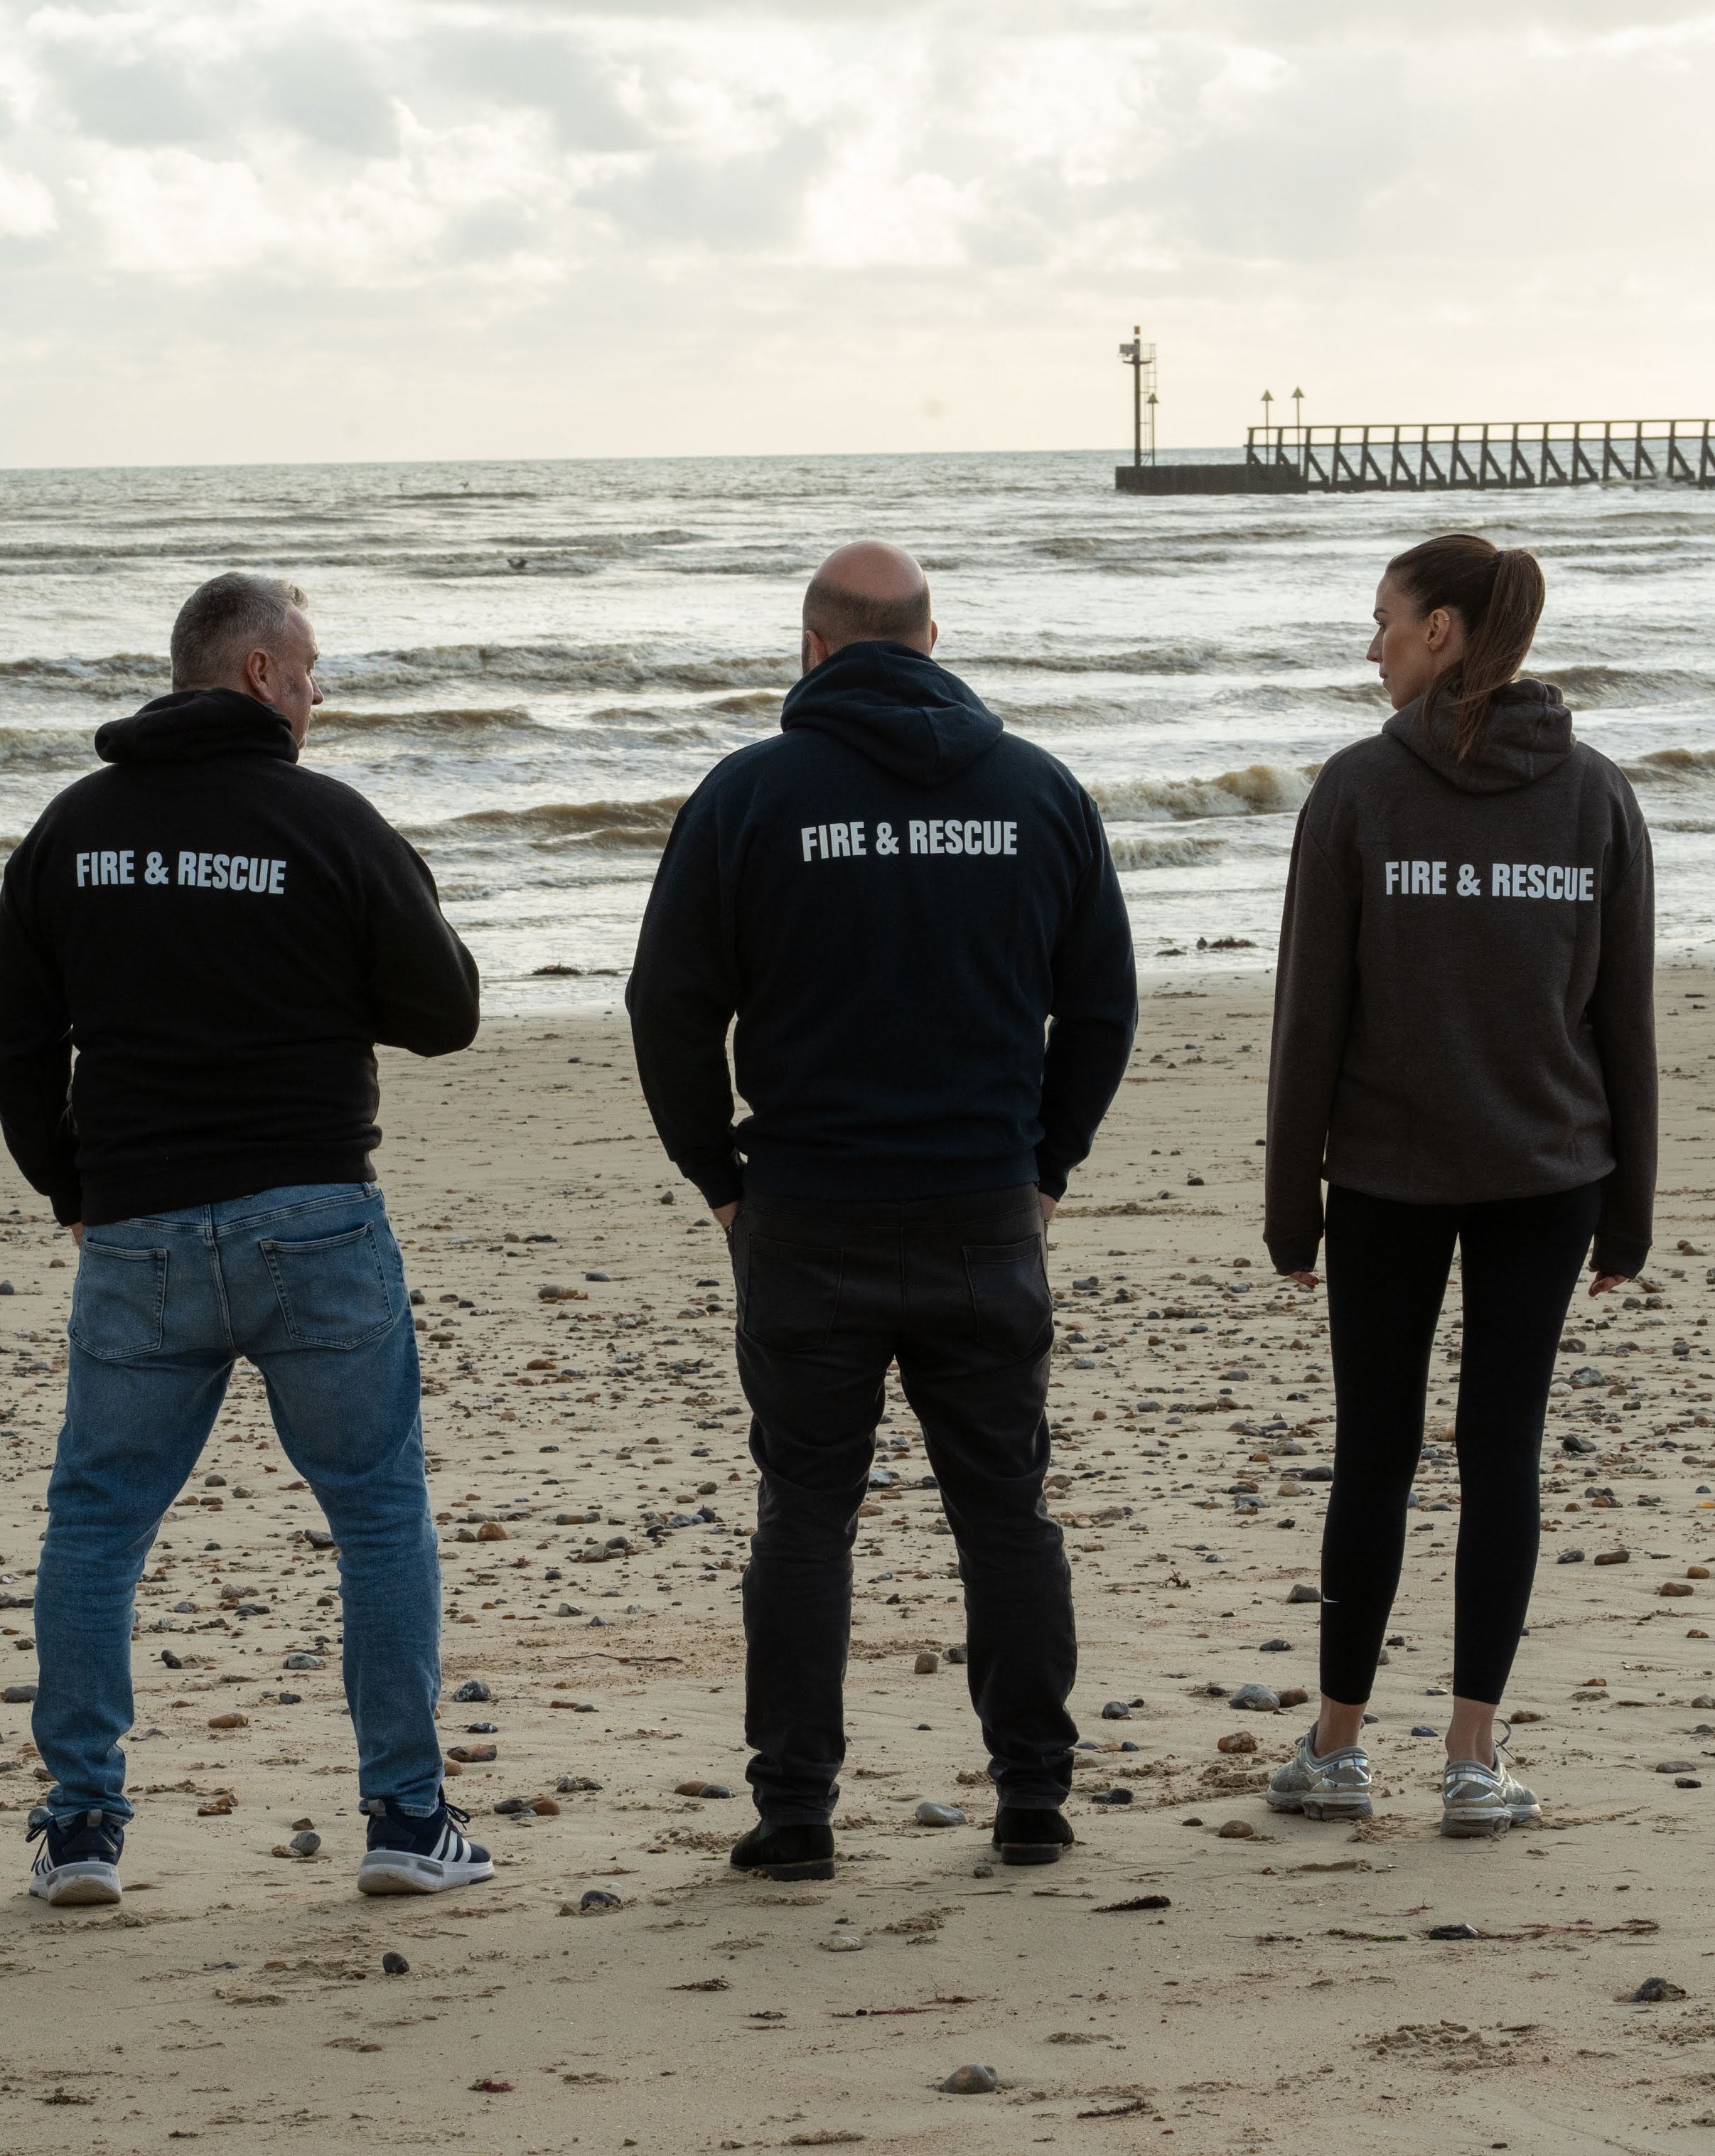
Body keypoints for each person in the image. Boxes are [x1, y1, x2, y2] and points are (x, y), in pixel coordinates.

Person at [627, 540, 1139, 1881]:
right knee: (1003, 1508)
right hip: (979, 1204)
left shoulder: (750, 794)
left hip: (810, 1208)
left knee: (805, 1512)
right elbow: (1101, 1005)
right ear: (930, 641)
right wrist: (1044, 1166)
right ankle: (1031, 1795)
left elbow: (667, 1005)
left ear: (811, 648)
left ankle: (796, 1811)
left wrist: (718, 1178)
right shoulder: (1036, 791)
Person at [0, 571, 485, 1907]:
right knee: (376, 1508)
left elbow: (12, 1035)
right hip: (310, 1211)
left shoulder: (76, 827)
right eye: (309, 670)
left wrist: (69, 1182)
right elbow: (444, 1011)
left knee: (97, 1523)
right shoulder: (328, 821)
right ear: (259, 672)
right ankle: (406, 1814)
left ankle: (81, 1824)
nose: (318, 695)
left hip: (139, 1223)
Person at [1256, 534, 1655, 1838]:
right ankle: (1471, 1761)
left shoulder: (1360, 788)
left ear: (1438, 630)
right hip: (1550, 1171)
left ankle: (1336, 1748)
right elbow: (1623, 1023)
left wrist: (1291, 1201)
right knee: (1501, 1455)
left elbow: (1308, 1016)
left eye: (1381, 618)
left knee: (1373, 1453)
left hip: (1392, 1175)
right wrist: (1629, 1207)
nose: (1368, 644)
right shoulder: (1592, 792)